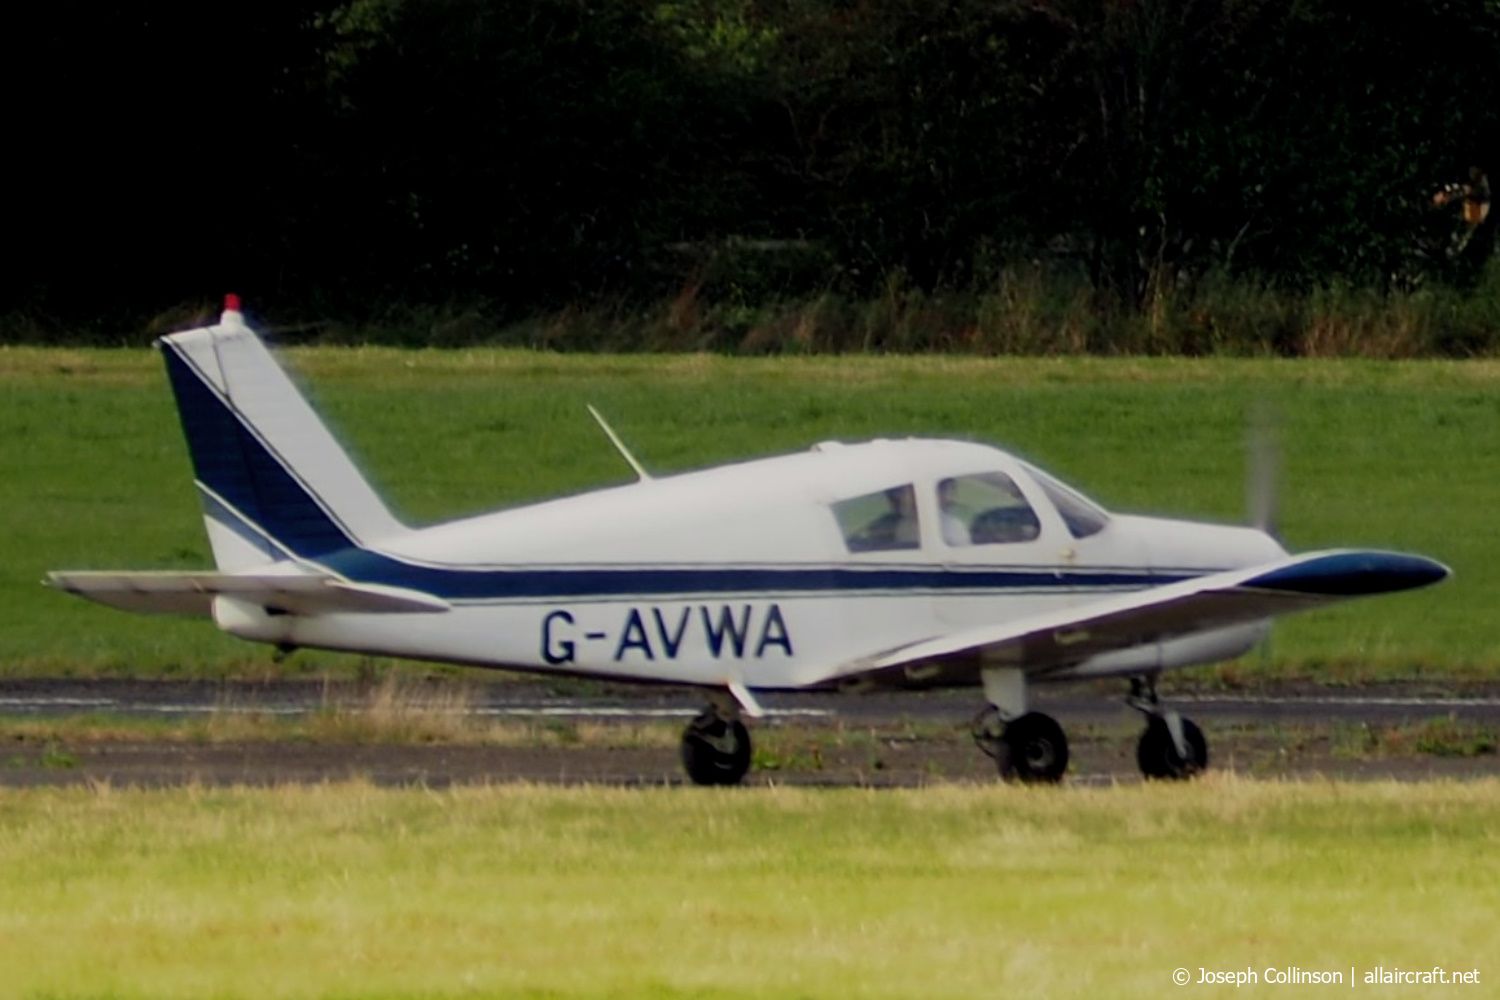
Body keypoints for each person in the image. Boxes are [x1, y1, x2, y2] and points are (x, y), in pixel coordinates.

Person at [938, 478, 970, 545]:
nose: (953, 498)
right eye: (948, 490)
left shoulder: (955, 525)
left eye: (953, 490)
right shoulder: (955, 526)